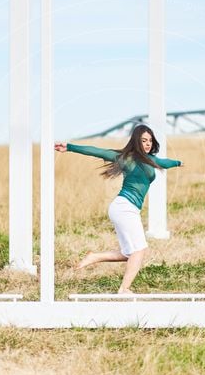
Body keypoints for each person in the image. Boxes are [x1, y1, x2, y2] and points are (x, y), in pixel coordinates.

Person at [54, 124, 183, 294]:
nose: (147, 144)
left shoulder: (150, 160)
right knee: (139, 251)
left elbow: (164, 163)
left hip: (128, 209)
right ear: (136, 141)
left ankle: (94, 257)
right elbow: (96, 151)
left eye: (150, 141)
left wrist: (178, 163)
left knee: (130, 253)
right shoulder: (125, 158)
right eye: (144, 140)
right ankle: (124, 289)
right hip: (124, 207)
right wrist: (70, 147)